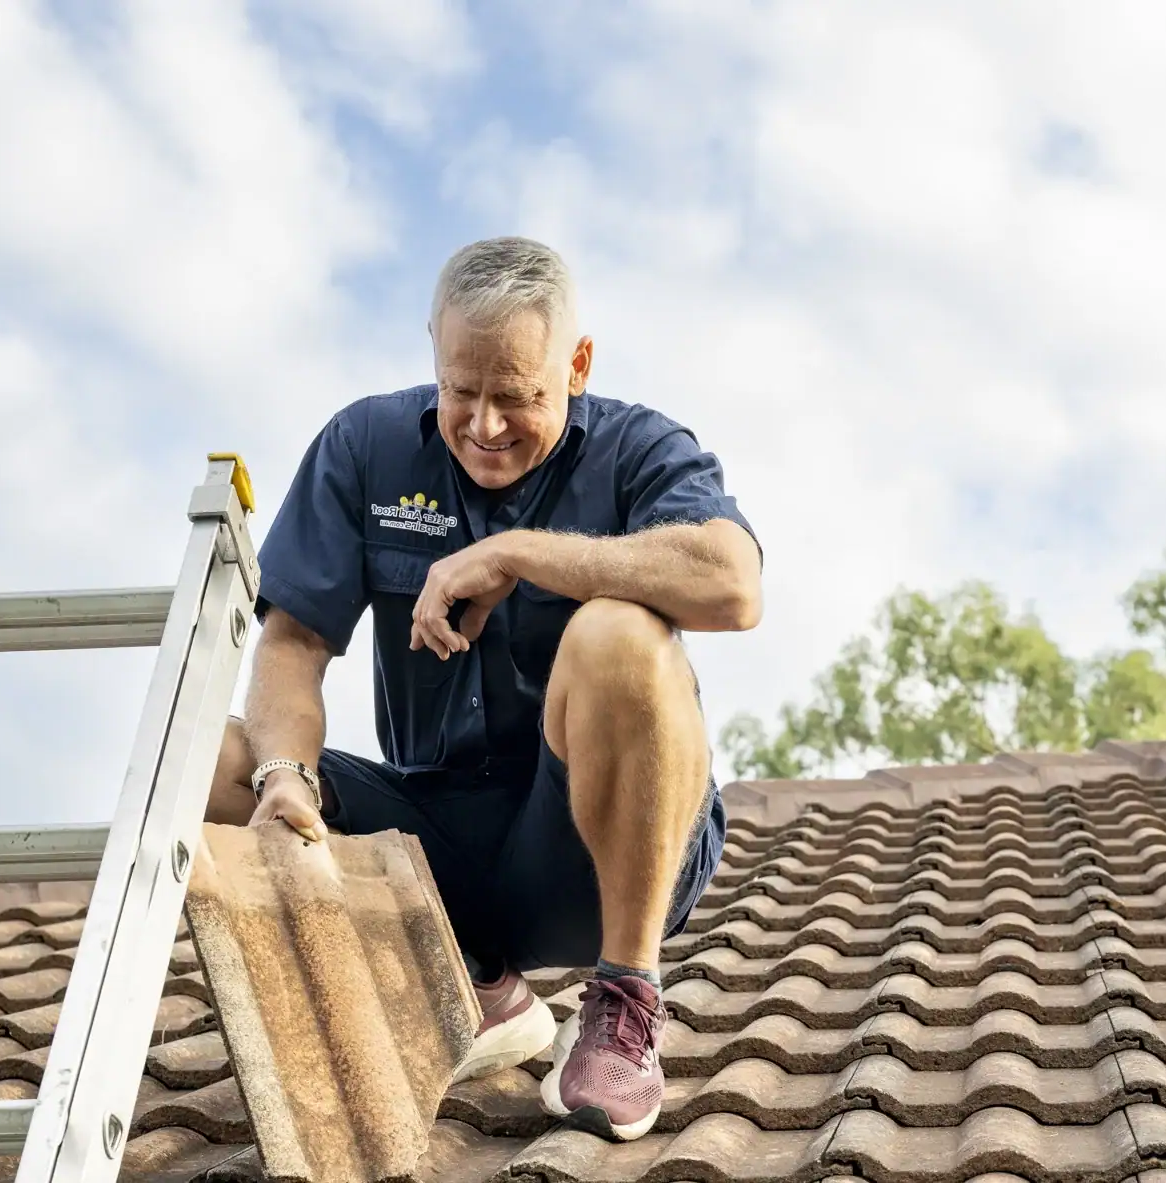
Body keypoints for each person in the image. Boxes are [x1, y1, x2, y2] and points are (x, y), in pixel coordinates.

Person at [205, 236, 762, 1142]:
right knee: (210, 762)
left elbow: (734, 586)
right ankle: (466, 983)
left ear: (577, 365)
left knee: (620, 630)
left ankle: (625, 1000)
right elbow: (293, 643)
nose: (485, 425)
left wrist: (521, 554)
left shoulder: (641, 447)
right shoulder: (363, 444)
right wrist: (285, 781)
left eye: (517, 395)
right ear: (433, 347)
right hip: (439, 844)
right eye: (462, 389)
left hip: (596, 853)